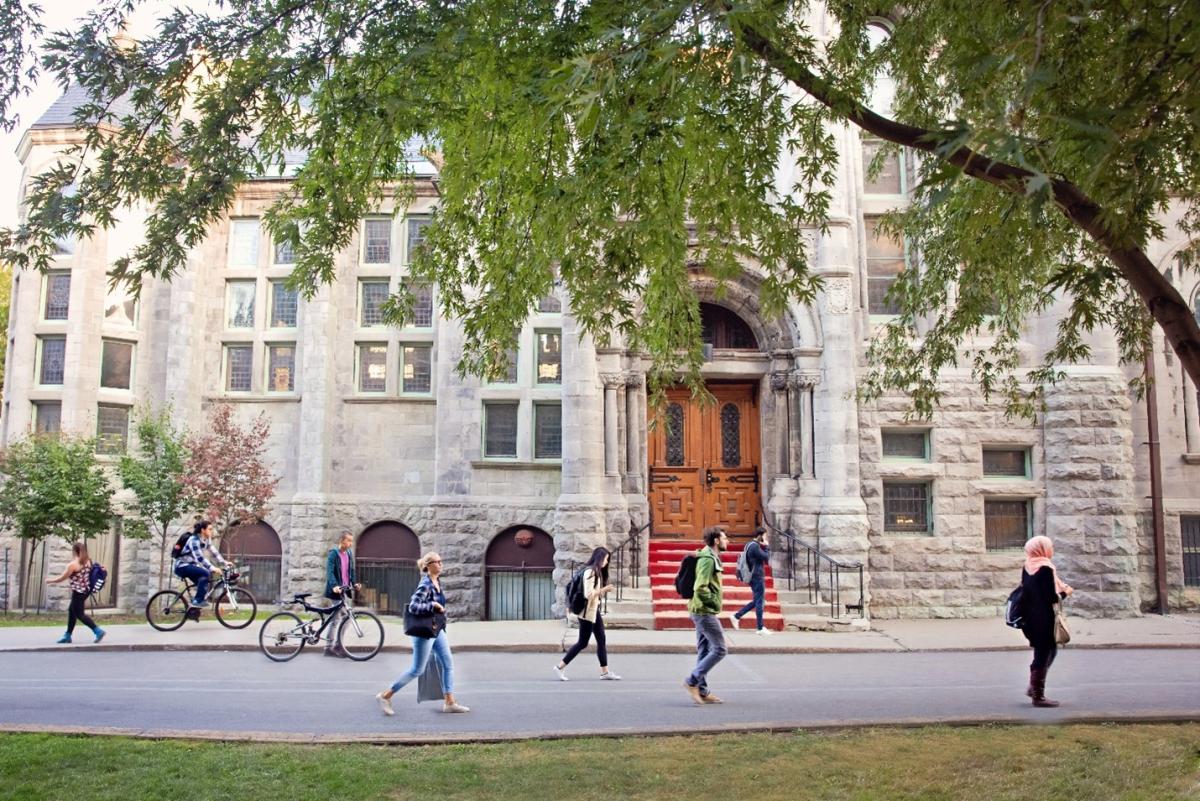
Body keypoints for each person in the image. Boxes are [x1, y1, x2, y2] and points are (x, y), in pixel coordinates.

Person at [376, 552, 469, 715]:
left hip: (436, 629)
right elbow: (413, 606)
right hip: (424, 632)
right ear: (427, 566)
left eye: (441, 561)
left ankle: (450, 702)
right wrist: (432, 605)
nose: (440, 564)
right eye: (436, 562)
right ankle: (385, 695)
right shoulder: (425, 583)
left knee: (448, 663)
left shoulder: (437, 581)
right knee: (417, 669)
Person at [1021, 535, 1073, 708]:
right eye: (1049, 546)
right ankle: (1037, 695)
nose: (1052, 549)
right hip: (1044, 617)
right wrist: (1066, 592)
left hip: (1030, 617)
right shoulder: (1045, 568)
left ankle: (1034, 687)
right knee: (1044, 653)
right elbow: (1050, 597)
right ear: (1042, 549)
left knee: (1047, 651)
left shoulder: (1028, 565)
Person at [554, 547, 621, 681]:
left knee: (601, 639)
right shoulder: (590, 572)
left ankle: (605, 672)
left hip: (592, 610)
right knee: (582, 643)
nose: (607, 562)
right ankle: (560, 666)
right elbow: (588, 594)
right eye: (606, 559)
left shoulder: (594, 571)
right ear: (600, 558)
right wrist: (604, 590)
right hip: (587, 613)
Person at [684, 526, 729, 705]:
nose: (728, 541)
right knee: (720, 649)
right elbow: (700, 587)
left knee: (704, 650)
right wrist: (714, 603)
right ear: (716, 541)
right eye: (725, 538)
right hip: (704, 611)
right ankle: (692, 681)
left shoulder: (708, 556)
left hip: (701, 610)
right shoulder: (708, 560)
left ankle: (701, 690)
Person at [47, 542, 105, 644]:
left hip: (78, 592)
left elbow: (62, 578)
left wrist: (50, 581)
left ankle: (97, 631)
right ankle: (68, 635)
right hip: (86, 590)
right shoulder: (88, 561)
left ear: (74, 551)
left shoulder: (73, 565)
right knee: (72, 611)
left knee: (79, 614)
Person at [174, 520, 230, 608]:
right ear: (203, 530)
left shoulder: (206, 539)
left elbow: (214, 551)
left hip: (191, 565)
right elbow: (200, 559)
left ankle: (193, 609)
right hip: (182, 566)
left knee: (203, 580)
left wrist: (224, 562)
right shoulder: (194, 540)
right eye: (210, 529)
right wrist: (213, 568)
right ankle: (197, 601)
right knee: (206, 573)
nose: (212, 531)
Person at [323, 531, 362, 658]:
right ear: (341, 540)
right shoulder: (333, 554)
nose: (351, 543)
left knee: (343, 618)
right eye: (348, 540)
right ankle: (331, 647)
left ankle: (335, 646)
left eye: (352, 540)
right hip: (335, 591)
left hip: (344, 590)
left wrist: (354, 583)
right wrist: (334, 586)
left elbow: (351, 570)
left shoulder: (349, 553)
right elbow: (329, 572)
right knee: (339, 618)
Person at [730, 527, 771, 636]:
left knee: (758, 600)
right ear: (761, 535)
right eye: (765, 535)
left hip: (754, 576)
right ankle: (760, 627)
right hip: (756, 576)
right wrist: (766, 546)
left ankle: (736, 616)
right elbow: (766, 557)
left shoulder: (749, 544)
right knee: (759, 602)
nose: (766, 537)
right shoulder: (755, 547)